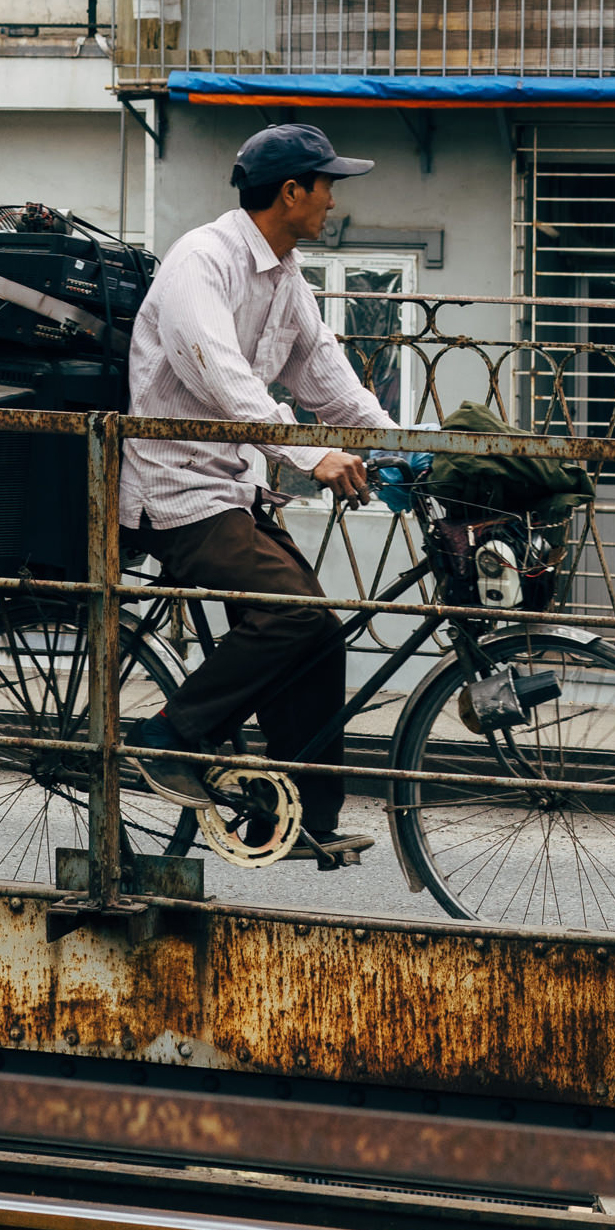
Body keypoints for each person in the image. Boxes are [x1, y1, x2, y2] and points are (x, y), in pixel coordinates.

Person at [121, 121, 391, 862]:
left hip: (232, 489)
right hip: (172, 489)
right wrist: (311, 456)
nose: (333, 200)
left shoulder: (285, 275)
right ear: (291, 191)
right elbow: (229, 386)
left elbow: (329, 379)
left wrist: (407, 451)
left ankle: (294, 818)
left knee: (318, 630)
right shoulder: (200, 263)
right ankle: (171, 736)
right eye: (326, 184)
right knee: (294, 612)